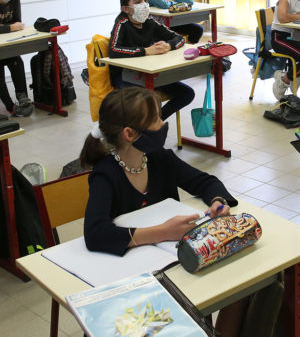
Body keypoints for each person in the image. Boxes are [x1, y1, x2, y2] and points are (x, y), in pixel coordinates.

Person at [81, 87, 245, 336]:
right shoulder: (106, 174)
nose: (163, 123)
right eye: (156, 119)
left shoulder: (158, 158)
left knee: (243, 286)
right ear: (130, 133)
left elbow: (205, 182)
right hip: (132, 285)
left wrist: (218, 201)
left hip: (175, 269)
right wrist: (162, 232)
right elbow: (95, 234)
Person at [109, 0, 194, 121]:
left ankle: (155, 121)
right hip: (125, 74)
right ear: (125, 8)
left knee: (187, 94)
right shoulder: (122, 23)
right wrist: (146, 51)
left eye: (146, 1)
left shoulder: (149, 21)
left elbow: (179, 38)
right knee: (147, 101)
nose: (143, 5)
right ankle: (144, 125)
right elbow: (113, 50)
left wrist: (168, 46)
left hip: (148, 72)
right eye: (137, 2)